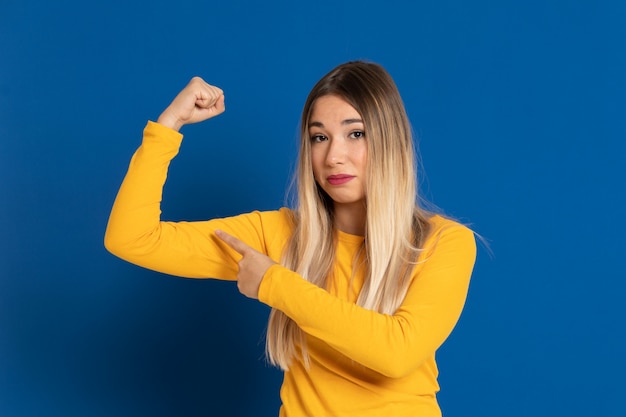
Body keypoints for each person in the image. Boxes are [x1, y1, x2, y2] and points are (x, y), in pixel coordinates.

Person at [104, 61, 476, 417]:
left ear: (391, 141)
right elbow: (132, 238)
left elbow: (398, 352)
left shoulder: (443, 242)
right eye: (319, 137)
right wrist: (168, 127)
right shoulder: (280, 235)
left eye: (356, 133)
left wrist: (273, 282)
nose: (333, 156)